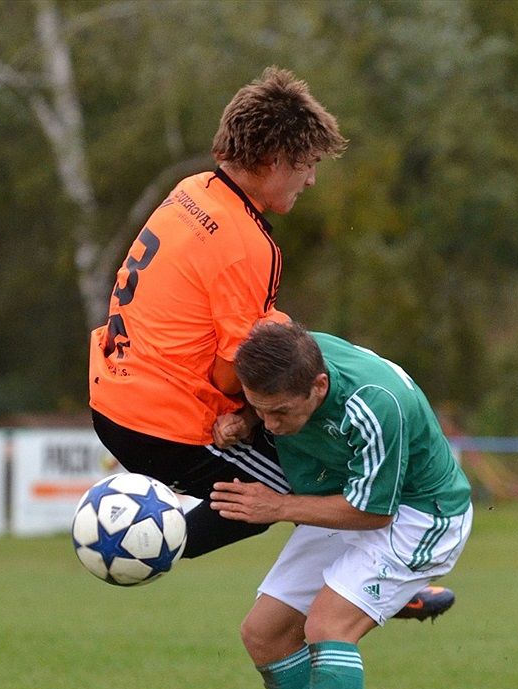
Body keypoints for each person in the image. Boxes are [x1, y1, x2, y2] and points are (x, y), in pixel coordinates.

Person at [88, 65, 454, 617]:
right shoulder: (243, 242)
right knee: (313, 486)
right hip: (164, 422)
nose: (309, 181)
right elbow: (238, 366)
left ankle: (140, 535)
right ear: (270, 161)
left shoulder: (194, 192)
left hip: (111, 396)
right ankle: (377, 586)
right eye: (306, 166)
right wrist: (248, 415)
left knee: (290, 488)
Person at [210, 322, 473, 689]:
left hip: (418, 515)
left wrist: (277, 506)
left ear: (319, 387)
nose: (272, 423)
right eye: (260, 407)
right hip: (344, 498)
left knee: (328, 625)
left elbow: (373, 514)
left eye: (280, 412)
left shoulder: (377, 405)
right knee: (262, 634)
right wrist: (243, 421)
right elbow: (270, 414)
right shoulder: (287, 360)